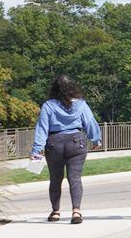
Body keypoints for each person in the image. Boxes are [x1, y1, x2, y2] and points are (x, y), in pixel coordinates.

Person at [28, 75, 101, 223]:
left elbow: (42, 128)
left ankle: (55, 212)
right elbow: (89, 122)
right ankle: (76, 212)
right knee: (75, 178)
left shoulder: (48, 105)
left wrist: (36, 150)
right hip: (76, 142)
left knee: (55, 179)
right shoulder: (81, 104)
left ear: (54, 89)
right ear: (73, 88)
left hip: (54, 143)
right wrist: (95, 139)